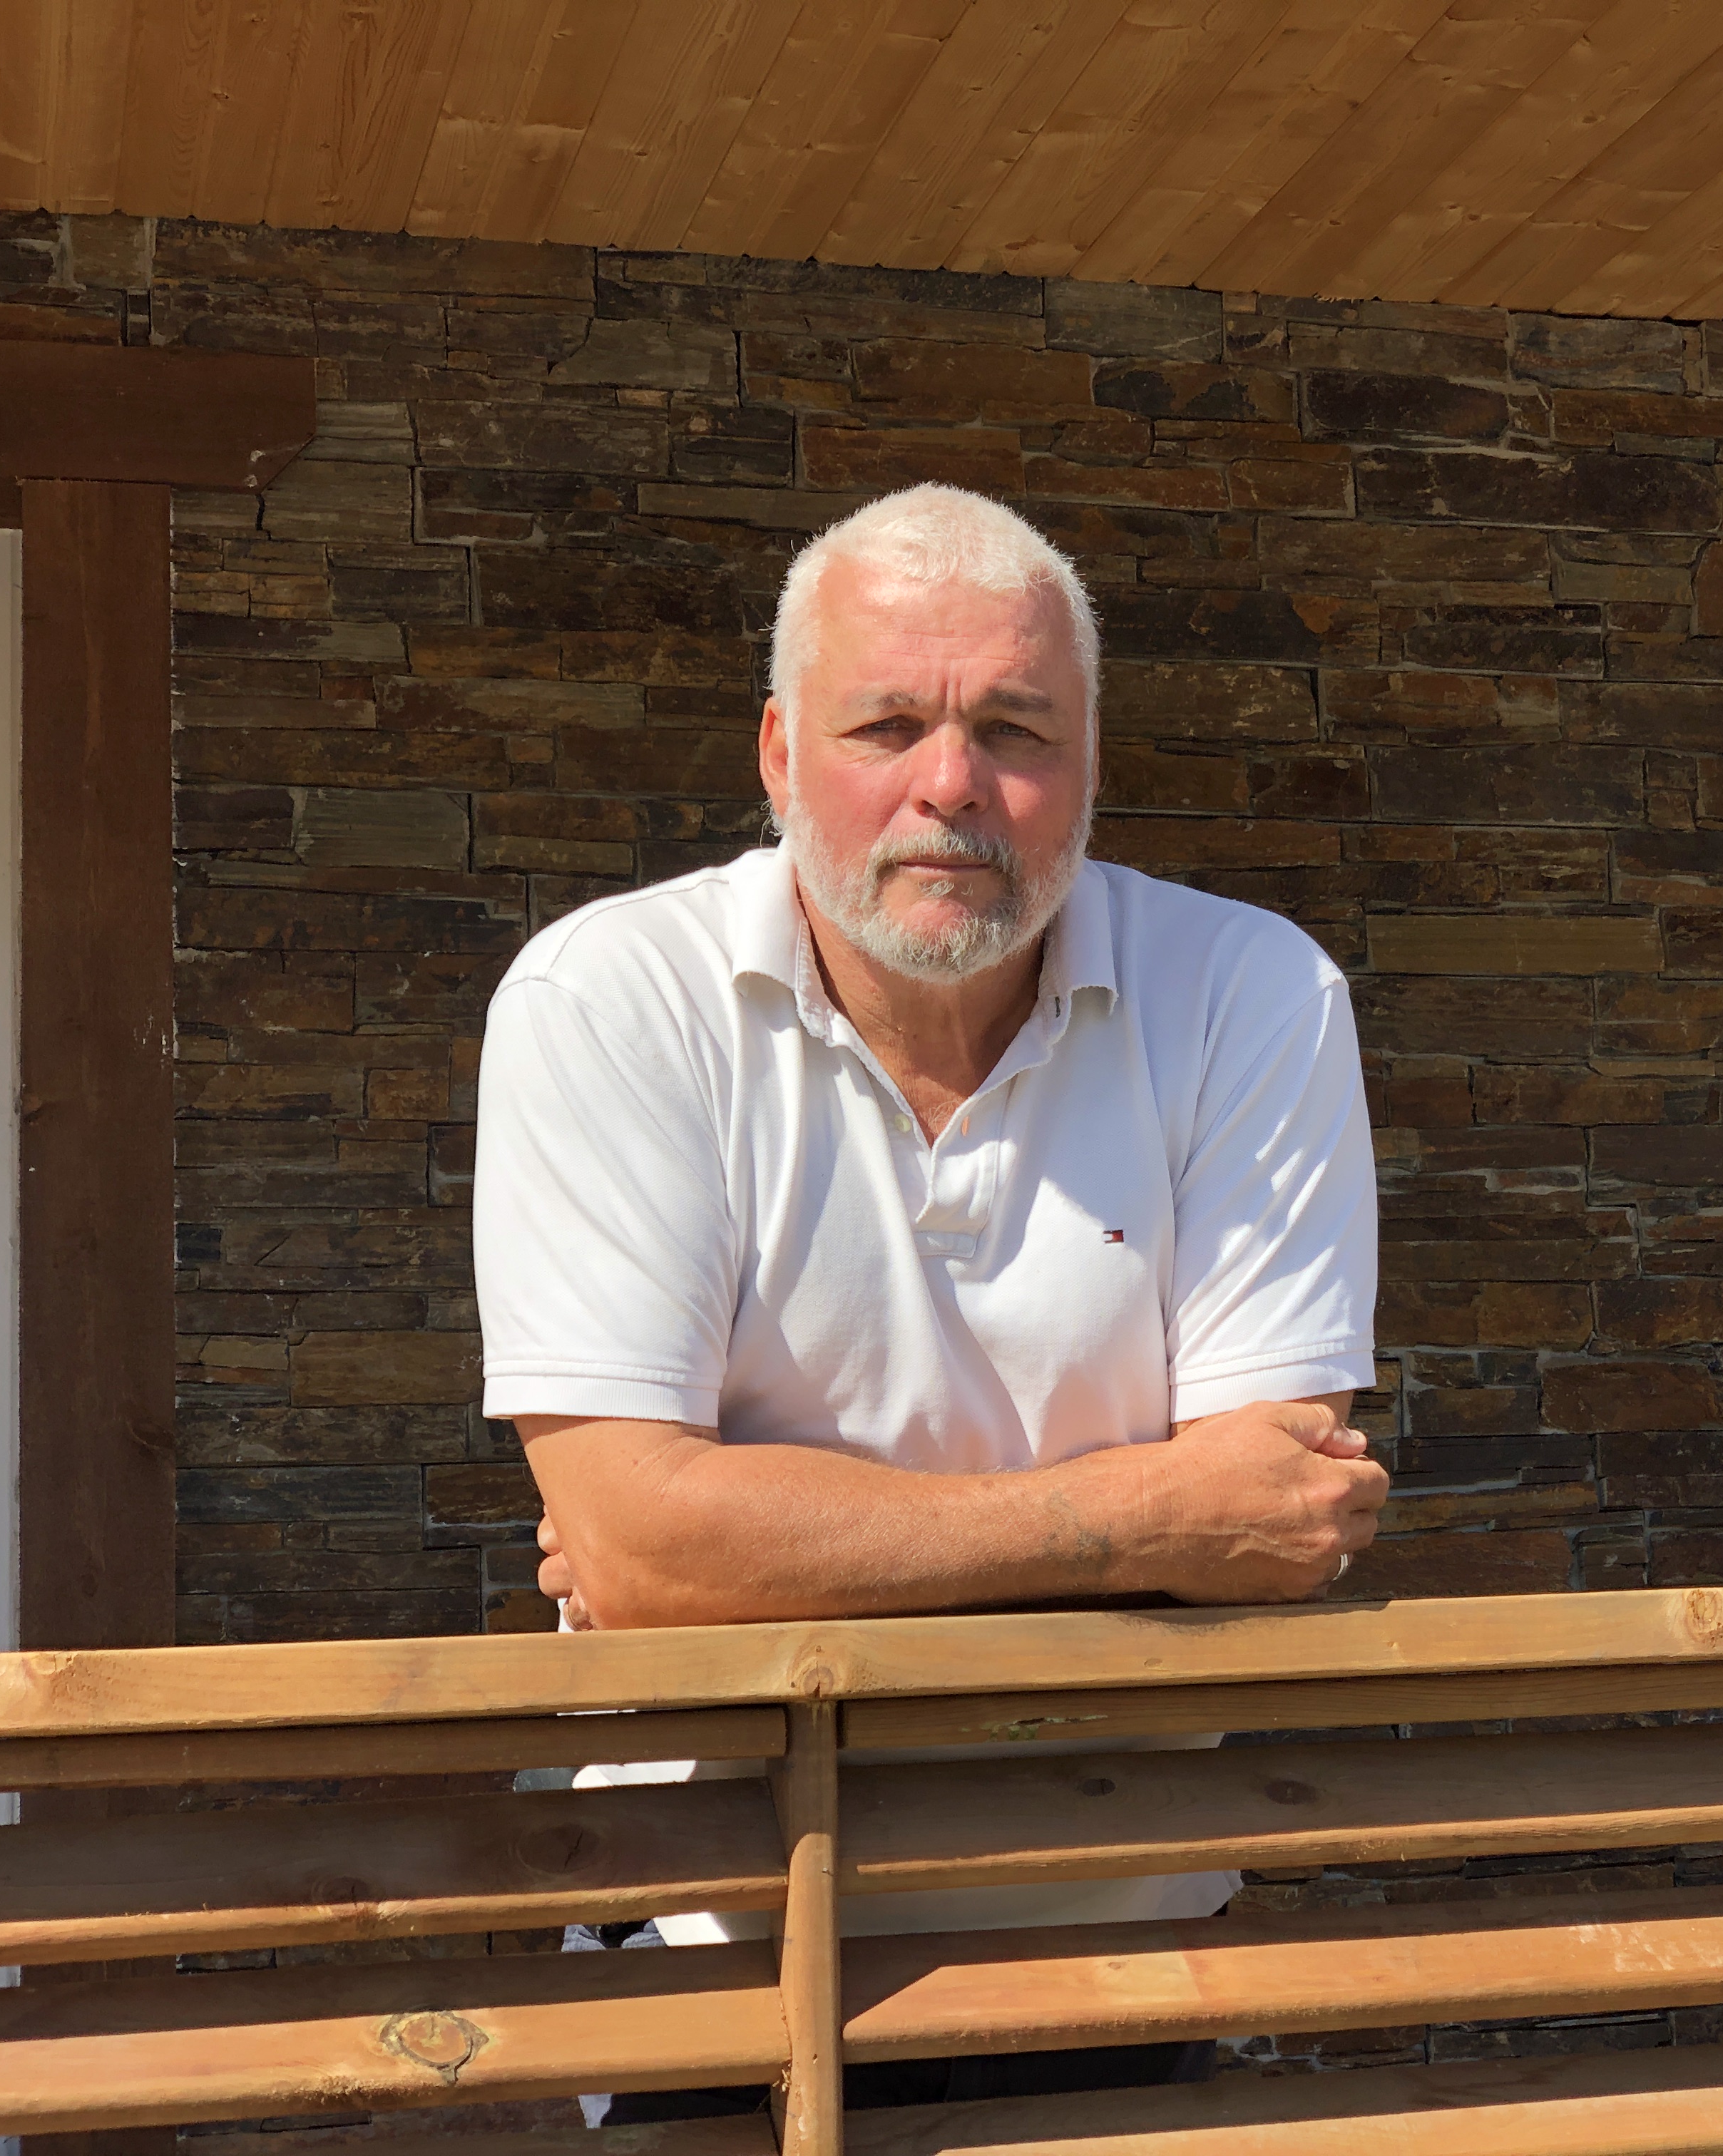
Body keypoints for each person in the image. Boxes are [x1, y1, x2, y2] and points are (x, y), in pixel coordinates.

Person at [472, 483, 1386, 2120]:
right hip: (715, 1946)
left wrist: (735, 1539)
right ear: (778, 756)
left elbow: (1269, 1527)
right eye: (887, 724)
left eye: (1014, 730)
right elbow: (641, 1552)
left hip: (1120, 1948)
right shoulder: (608, 995)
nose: (951, 784)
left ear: (1089, 764)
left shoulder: (1250, 990)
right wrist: (1149, 1512)